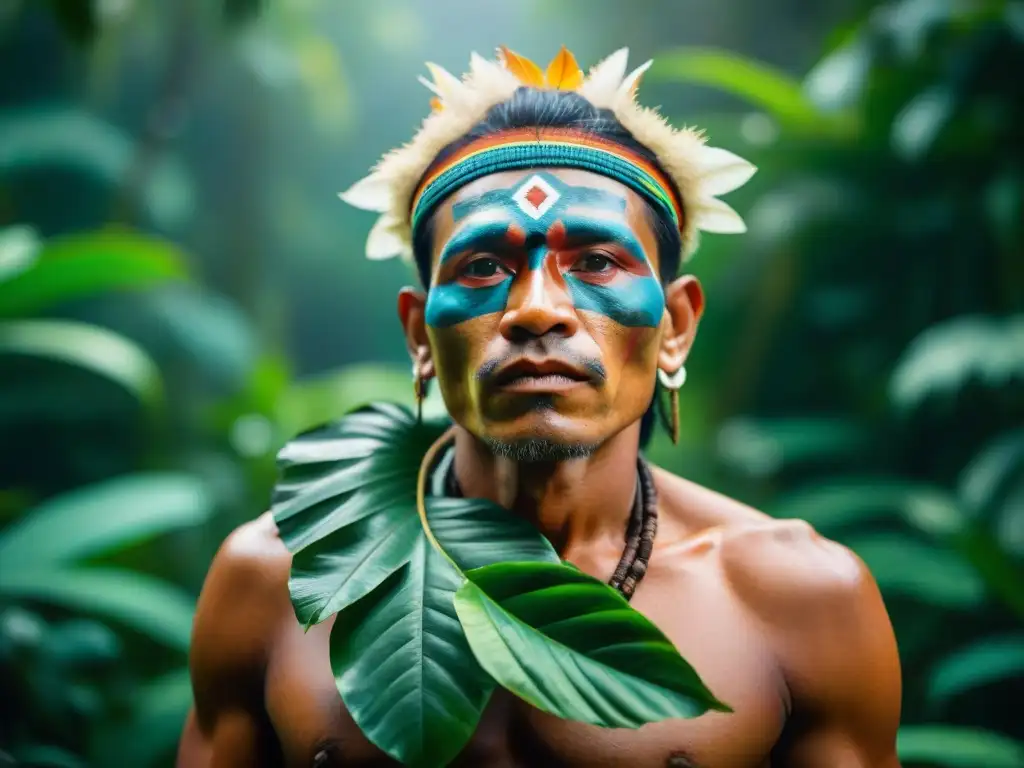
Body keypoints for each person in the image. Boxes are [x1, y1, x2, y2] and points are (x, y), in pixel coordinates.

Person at [177, 47, 902, 767]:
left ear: (675, 327)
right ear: (419, 335)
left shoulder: (798, 600)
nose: (536, 310)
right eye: (483, 266)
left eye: (594, 262)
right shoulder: (275, 583)